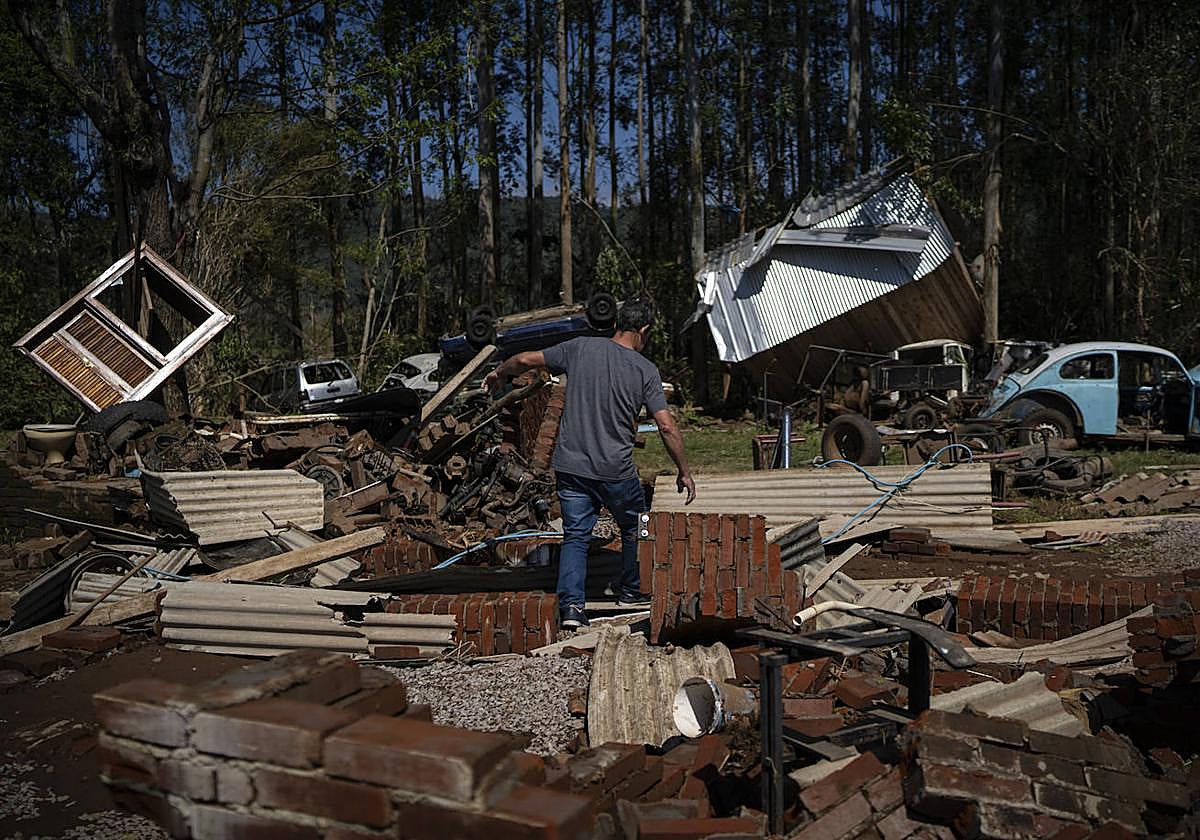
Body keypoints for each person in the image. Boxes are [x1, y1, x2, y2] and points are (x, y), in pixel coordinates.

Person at [484, 299, 695, 628]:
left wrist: (499, 372)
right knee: (634, 527)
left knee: (576, 536)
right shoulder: (645, 370)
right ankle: (629, 589)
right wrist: (684, 470)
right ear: (644, 331)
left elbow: (525, 359)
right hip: (616, 472)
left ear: (617, 324)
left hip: (571, 468)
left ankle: (571, 609)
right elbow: (666, 426)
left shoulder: (579, 348)